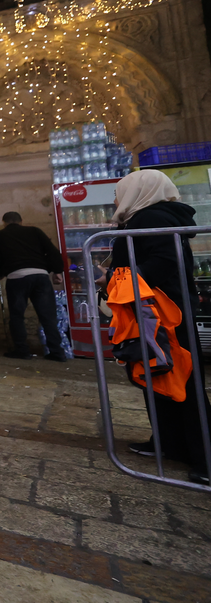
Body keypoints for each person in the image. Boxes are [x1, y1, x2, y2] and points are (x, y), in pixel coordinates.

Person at [106, 170, 209, 485]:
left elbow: (163, 262)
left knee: (182, 381)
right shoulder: (152, 217)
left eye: (119, 192)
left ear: (139, 191)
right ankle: (169, 442)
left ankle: (205, 458)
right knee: (156, 374)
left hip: (165, 314)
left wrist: (119, 283)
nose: (115, 199)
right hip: (154, 311)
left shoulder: (153, 218)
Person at [0, 211, 66, 361]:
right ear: (21, 221)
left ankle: (22, 350)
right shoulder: (34, 231)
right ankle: (57, 352)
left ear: (4, 222)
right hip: (40, 275)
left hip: (17, 277)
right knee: (48, 316)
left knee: (17, 316)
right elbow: (52, 251)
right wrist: (57, 270)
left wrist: (2, 272)